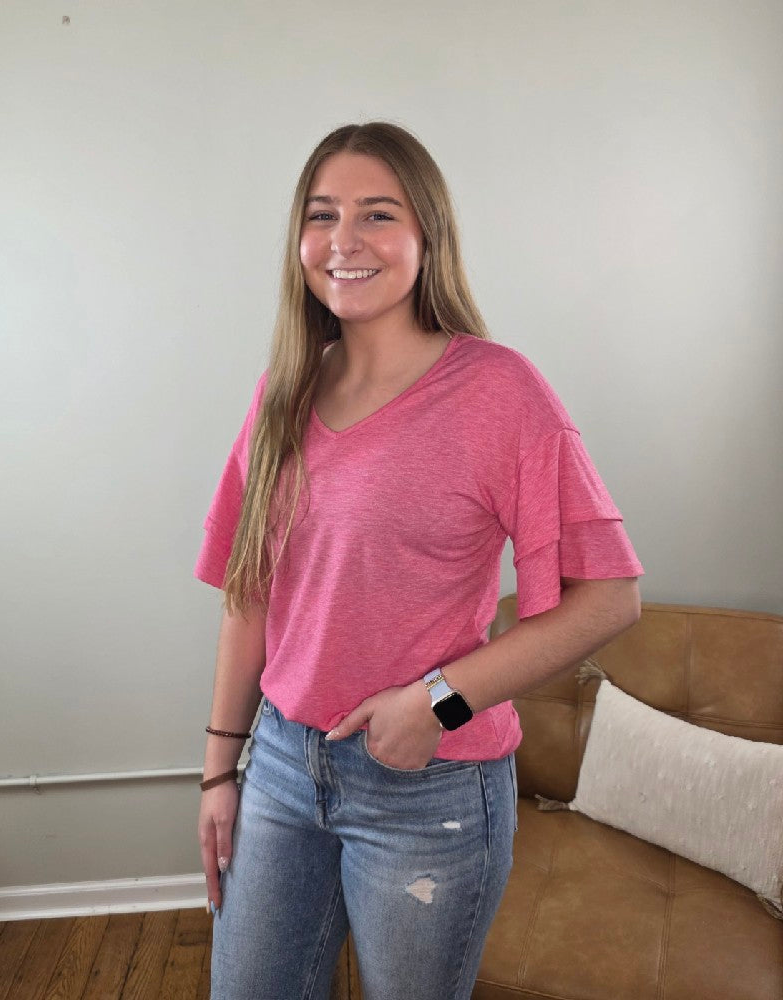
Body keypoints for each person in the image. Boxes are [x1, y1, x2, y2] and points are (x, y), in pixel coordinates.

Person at [194, 121, 644, 1000]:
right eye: (322, 214)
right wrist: (219, 769)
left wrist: (437, 702)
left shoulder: (498, 390)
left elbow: (611, 596)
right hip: (282, 764)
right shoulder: (283, 389)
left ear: (427, 235)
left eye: (378, 214)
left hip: (427, 787)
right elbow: (250, 593)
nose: (345, 240)